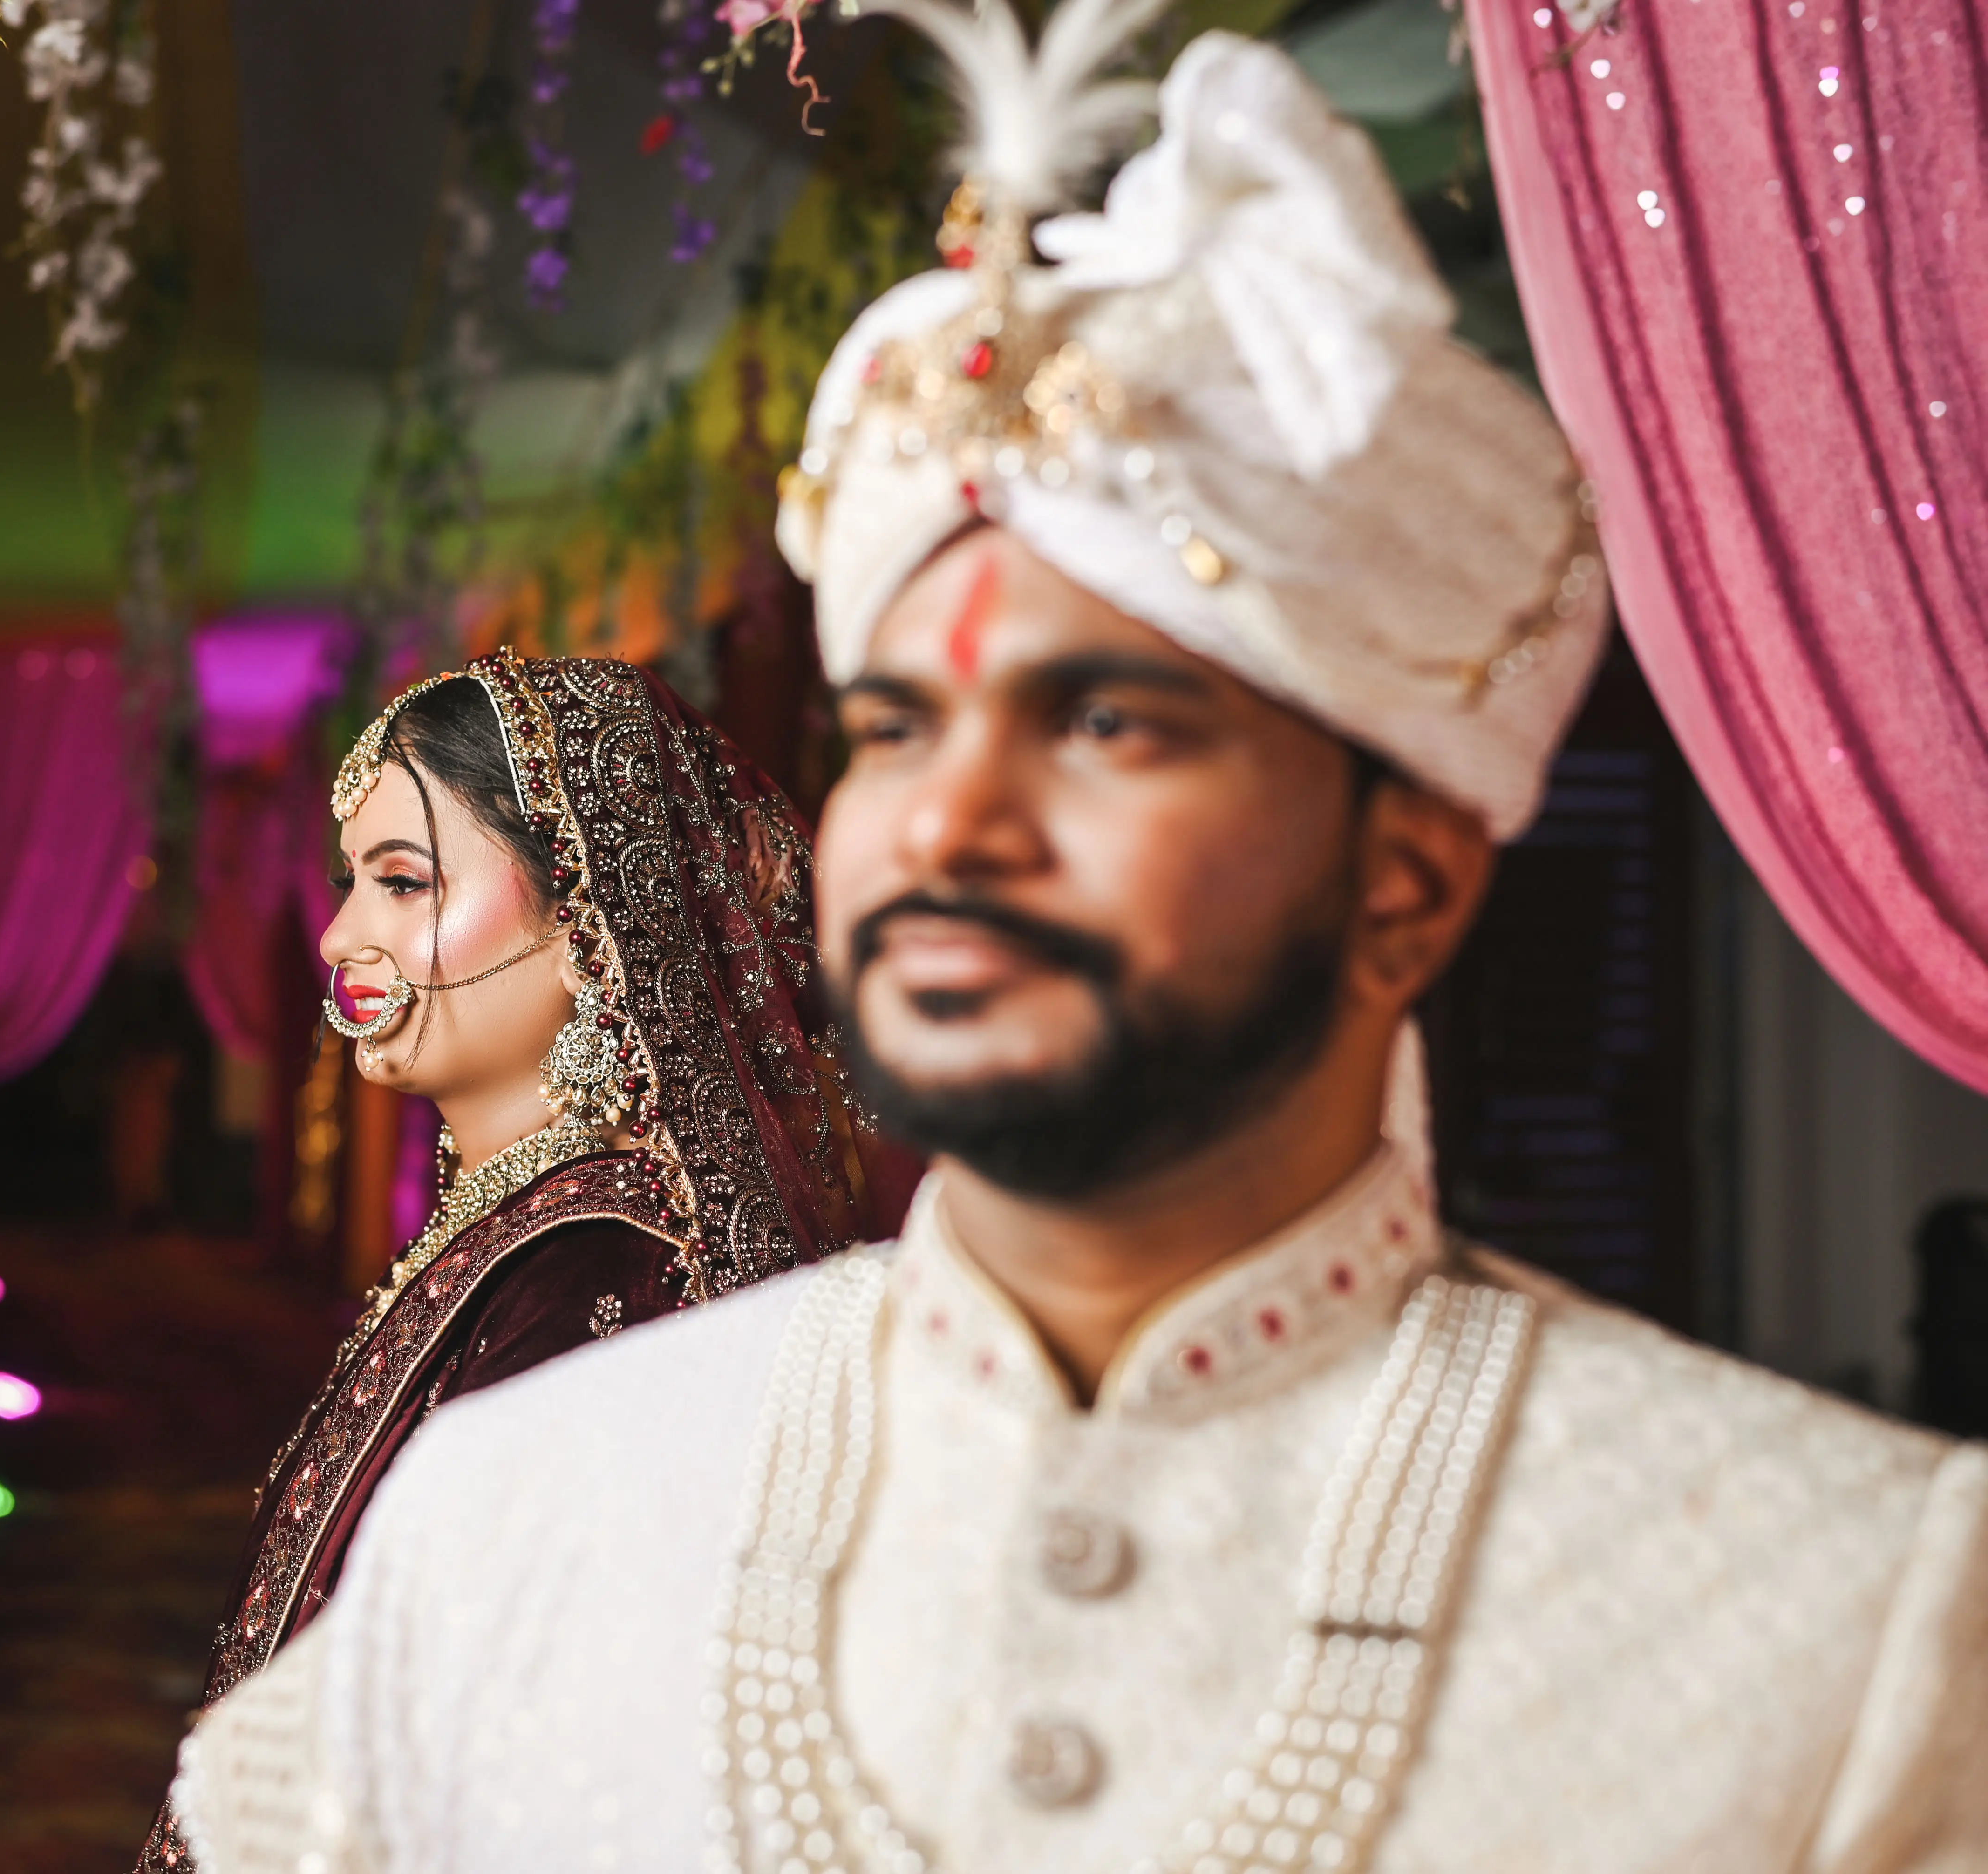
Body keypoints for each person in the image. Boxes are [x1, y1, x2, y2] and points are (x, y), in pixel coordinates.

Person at [158, 6, 1988, 1871]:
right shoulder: (530, 1509)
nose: (949, 824)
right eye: (895, 731)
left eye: (1109, 725)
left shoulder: (1844, 1615)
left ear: (1411, 878)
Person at [134, 650, 881, 1872]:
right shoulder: (525, 1228)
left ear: (588, 915)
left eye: (402, 882)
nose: (338, 936)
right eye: (350, 883)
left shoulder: (606, 1276)